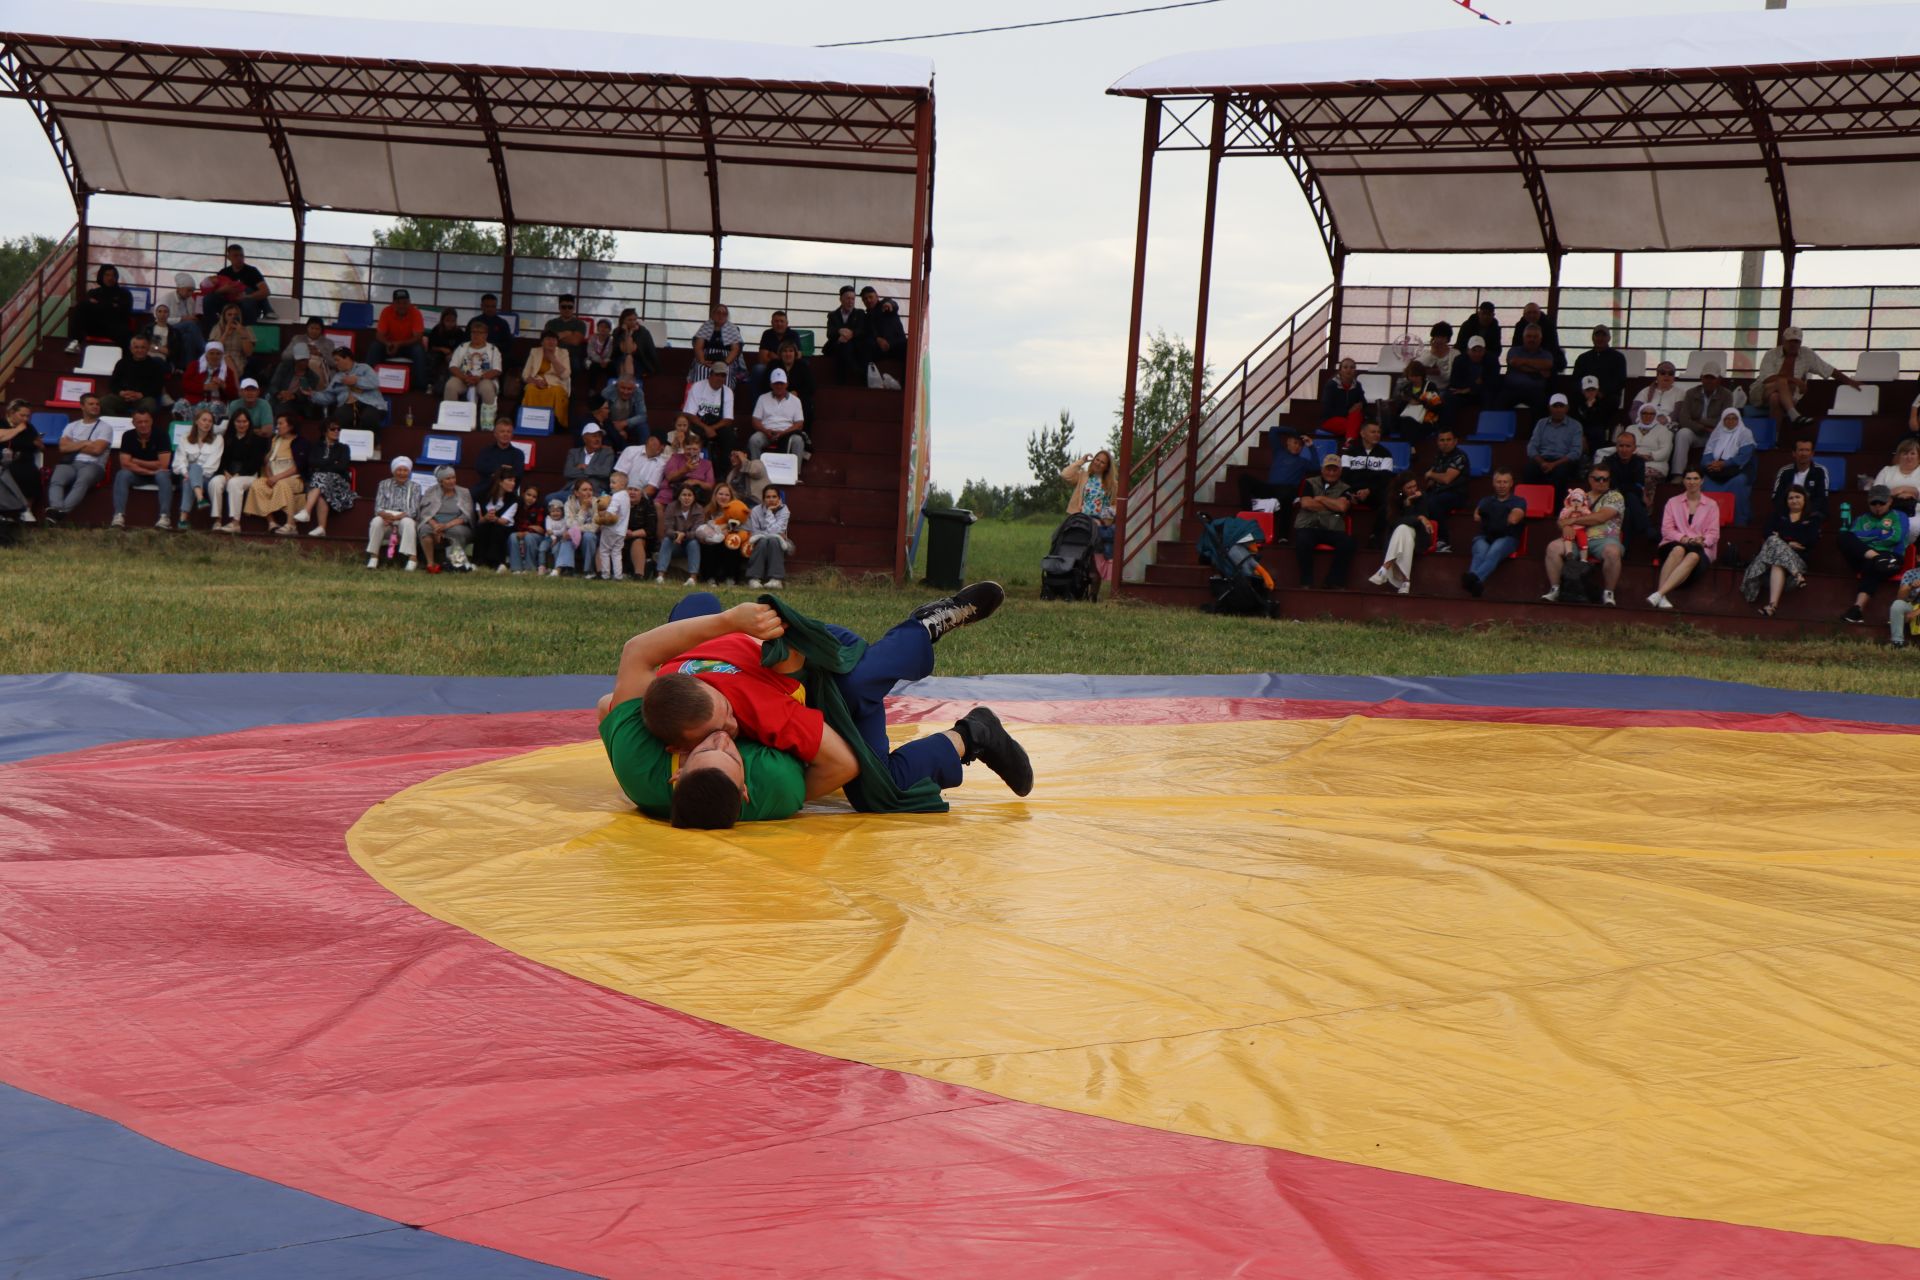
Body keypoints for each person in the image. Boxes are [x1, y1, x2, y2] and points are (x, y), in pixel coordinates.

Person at [596, 586, 1023, 829]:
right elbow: (608, 703)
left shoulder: (754, 721)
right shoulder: (768, 784)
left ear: (679, 756)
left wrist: (729, 621)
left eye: (717, 736)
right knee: (875, 780)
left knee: (877, 776)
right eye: (727, 746)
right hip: (754, 656)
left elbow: (841, 766)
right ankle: (973, 732)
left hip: (799, 656)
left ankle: (923, 636)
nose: (728, 735)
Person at [1541, 462, 1624, 606]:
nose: (1602, 482)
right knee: (1553, 547)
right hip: (1575, 538)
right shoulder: (1578, 496)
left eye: (1606, 479)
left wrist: (1572, 520)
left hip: (1604, 539)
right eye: (1598, 478)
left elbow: (1601, 517)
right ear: (1590, 479)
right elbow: (1561, 521)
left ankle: (1608, 593)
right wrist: (1565, 527)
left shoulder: (1615, 496)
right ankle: (1556, 589)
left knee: (1613, 552)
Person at [1752, 326, 1861, 428]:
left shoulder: (1806, 354)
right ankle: (1795, 416)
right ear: (1783, 341)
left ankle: (1774, 439)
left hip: (1788, 396)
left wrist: (1850, 381)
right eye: (1790, 341)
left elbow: (1828, 370)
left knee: (1775, 398)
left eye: (1797, 341)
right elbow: (1766, 378)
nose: (1793, 344)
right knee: (1781, 382)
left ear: (1801, 342)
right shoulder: (1771, 354)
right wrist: (1795, 380)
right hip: (1762, 392)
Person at [1648, 468, 1720, 610]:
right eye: (1688, 478)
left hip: (1701, 547)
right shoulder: (1672, 502)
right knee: (1678, 549)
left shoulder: (1712, 505)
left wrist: (1703, 541)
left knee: (1693, 555)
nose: (1691, 482)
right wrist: (1684, 539)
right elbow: (1667, 530)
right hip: (1674, 543)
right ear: (1683, 481)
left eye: (1695, 478)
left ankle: (1660, 593)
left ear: (1702, 481)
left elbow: (1714, 533)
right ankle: (1661, 596)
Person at [1743, 485, 1820, 617]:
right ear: (1786, 501)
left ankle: (1772, 605)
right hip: (1777, 561)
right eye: (1791, 498)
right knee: (1773, 542)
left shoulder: (1812, 518)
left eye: (1797, 497)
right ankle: (1794, 579)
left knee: (1777, 557)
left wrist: (1782, 537)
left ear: (1805, 499)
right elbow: (1767, 532)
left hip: (1799, 559)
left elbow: (1810, 540)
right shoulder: (1778, 515)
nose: (1794, 500)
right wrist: (1788, 542)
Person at [1838, 485, 1911, 623]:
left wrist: (1867, 536)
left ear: (1890, 501)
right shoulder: (1862, 519)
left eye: (1881, 503)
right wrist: (1879, 533)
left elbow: (1895, 537)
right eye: (1874, 503)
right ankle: (1877, 558)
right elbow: (1853, 536)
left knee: (1874, 566)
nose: (1878, 506)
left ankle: (1857, 609)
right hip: (1867, 557)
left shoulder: (1899, 516)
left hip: (1892, 558)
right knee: (1843, 536)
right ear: (1868, 502)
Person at [46, 394, 112, 522]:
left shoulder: (105, 427)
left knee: (82, 481)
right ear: (82, 406)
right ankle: (56, 509)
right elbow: (62, 448)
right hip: (71, 463)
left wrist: (73, 445)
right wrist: (83, 443)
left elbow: (97, 450)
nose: (95, 406)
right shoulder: (72, 426)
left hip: (94, 465)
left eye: (97, 404)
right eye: (91, 404)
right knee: (57, 479)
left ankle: (59, 513)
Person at [1367, 475, 1437, 595]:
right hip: (1400, 536)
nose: (1413, 490)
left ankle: (1385, 568)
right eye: (1409, 487)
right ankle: (1406, 582)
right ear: (1401, 489)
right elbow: (1394, 522)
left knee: (1403, 528)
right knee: (1403, 529)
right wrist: (1417, 516)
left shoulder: (1422, 497)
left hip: (1419, 536)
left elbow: (1419, 524)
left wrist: (1411, 509)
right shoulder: (1395, 499)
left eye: (1414, 486)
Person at [1461, 468, 1527, 597]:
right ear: (1493, 483)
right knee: (1480, 551)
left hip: (1507, 537)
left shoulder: (1519, 501)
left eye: (1505, 482)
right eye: (1498, 482)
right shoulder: (1486, 500)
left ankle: (1472, 579)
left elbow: (1514, 519)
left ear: (1511, 483)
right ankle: (1476, 585)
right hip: (1486, 536)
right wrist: (1502, 516)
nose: (1502, 485)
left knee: (1494, 550)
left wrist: (1492, 515)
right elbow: (1477, 516)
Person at [1294, 454, 1354, 589]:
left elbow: (1342, 507)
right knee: (1303, 540)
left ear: (1340, 471)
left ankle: (1333, 581)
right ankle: (1306, 582)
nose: (1331, 473)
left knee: (1348, 543)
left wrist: (1320, 498)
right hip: (1308, 526)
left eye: (1335, 470)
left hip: (1333, 528)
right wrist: (1333, 505)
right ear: (1322, 469)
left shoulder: (1346, 488)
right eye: (1328, 469)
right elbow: (1306, 504)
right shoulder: (1309, 482)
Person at [1236, 428, 1311, 536]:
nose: (1297, 446)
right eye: (1295, 442)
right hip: (1270, 488)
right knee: (1244, 478)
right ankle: (1248, 512)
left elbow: (1316, 466)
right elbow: (1273, 431)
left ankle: (1283, 536)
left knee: (1288, 495)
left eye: (1300, 445)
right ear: (1288, 442)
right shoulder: (1279, 451)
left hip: (1286, 490)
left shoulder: (1302, 462)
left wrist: (1310, 445)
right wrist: (1292, 431)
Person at [108, 409, 173, 530]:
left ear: (151, 421)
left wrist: (137, 461)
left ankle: (165, 517)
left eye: (146, 421)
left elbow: (163, 465)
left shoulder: (161, 434)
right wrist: (149, 470)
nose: (143, 425)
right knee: (122, 474)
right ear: (133, 423)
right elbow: (125, 464)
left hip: (157, 475)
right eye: (139, 422)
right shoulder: (128, 435)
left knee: (163, 475)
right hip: (139, 475)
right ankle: (118, 515)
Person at [243, 413, 307, 535]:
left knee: (282, 484)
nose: (277, 426)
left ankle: (291, 525)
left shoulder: (299, 442)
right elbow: (268, 462)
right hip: (273, 476)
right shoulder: (275, 440)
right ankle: (272, 523)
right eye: (277, 424)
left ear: (290, 426)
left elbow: (298, 468)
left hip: (292, 478)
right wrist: (270, 476)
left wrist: (277, 478)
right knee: (257, 486)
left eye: (280, 423)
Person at [295, 420, 356, 537]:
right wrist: (332, 462)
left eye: (339, 429)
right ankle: (322, 528)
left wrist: (322, 465)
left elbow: (342, 466)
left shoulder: (344, 448)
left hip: (339, 484)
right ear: (325, 431)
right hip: (321, 484)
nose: (337, 431)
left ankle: (306, 510)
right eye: (333, 429)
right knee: (321, 490)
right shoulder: (316, 446)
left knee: (320, 477)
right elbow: (311, 462)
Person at [210, 414, 269, 532]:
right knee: (215, 482)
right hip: (229, 472)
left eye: (244, 421)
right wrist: (224, 471)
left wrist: (240, 473)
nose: (241, 424)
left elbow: (256, 462)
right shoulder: (227, 438)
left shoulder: (257, 440)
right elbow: (221, 458)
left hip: (249, 474)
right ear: (233, 423)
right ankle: (217, 520)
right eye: (238, 421)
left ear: (249, 423)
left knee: (234, 483)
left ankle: (235, 523)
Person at [1699, 405, 1758, 523]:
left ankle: (1738, 520)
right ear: (1723, 420)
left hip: (1737, 470)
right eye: (1727, 418)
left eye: (1734, 418)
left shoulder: (1745, 433)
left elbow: (1744, 456)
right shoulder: (1717, 432)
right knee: (1706, 482)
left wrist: (1724, 464)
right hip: (1716, 470)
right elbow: (1707, 453)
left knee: (1738, 482)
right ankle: (1709, 520)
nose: (1730, 421)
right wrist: (1710, 464)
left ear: (1739, 420)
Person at [1339, 419, 1395, 544]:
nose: (1377, 435)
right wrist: (1351, 492)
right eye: (1373, 432)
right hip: (1352, 491)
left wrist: (1368, 490)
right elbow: (1344, 476)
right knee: (1337, 498)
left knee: (1389, 503)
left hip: (1373, 492)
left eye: (1378, 432)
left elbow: (1385, 479)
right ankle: (1339, 535)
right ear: (1363, 434)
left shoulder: (1385, 454)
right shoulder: (1349, 452)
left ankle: (1375, 537)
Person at [1671, 365, 1733, 476]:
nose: (1709, 381)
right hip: (1696, 432)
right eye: (1706, 377)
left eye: (1712, 378)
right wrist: (1702, 427)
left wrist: (1700, 420)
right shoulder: (1691, 393)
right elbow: (1684, 419)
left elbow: (1725, 420)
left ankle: (1714, 476)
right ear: (1701, 378)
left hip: (1715, 434)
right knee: (1682, 434)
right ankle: (1678, 474)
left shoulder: (1727, 395)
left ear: (1719, 380)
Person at [1524, 393, 1586, 502]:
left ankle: (1556, 510)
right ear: (1549, 408)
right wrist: (1542, 462)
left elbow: (1576, 452)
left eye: (1561, 406)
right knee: (1530, 469)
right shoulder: (1541, 423)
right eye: (1555, 406)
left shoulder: (1575, 425)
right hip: (1543, 460)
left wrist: (1554, 464)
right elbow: (1531, 447)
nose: (1558, 409)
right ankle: (1532, 504)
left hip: (1563, 461)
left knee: (1560, 473)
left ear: (1567, 408)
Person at [365, 456, 422, 571]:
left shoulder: (415, 487)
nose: (402, 473)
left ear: (409, 471)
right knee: (376, 521)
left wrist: (397, 517)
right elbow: (378, 507)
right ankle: (373, 557)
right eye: (399, 470)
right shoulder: (384, 484)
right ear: (393, 471)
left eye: (405, 470)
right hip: (386, 519)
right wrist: (384, 515)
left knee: (408, 522)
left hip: (404, 518)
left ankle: (412, 558)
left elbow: (414, 509)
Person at [314, 346, 387, 430]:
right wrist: (312, 395)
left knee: (369, 417)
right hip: (348, 406)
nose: (335, 363)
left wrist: (357, 381)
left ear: (347, 358)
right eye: (335, 360)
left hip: (371, 404)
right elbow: (328, 397)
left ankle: (374, 442)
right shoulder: (337, 377)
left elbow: (375, 382)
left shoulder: (364, 368)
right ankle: (343, 442)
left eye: (337, 360)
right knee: (340, 416)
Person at [1060, 450, 1118, 557]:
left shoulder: (1113, 485)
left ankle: (1105, 564)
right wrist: (1082, 461)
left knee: (1107, 540)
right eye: (1097, 459)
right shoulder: (1083, 476)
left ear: (1107, 467)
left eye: (1102, 462)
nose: (1098, 463)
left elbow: (1115, 505)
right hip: (1080, 518)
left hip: (1099, 521)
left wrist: (1105, 519)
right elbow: (1065, 475)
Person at [418, 465, 474, 573]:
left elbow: (466, 516)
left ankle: (455, 563)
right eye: (448, 479)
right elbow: (425, 513)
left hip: (457, 523)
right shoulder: (431, 491)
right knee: (424, 529)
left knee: (456, 531)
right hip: (435, 523)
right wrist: (436, 526)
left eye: (453, 477)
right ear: (440, 481)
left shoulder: (464, 492)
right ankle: (431, 563)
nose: (452, 481)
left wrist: (446, 526)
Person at [171, 408, 223, 525]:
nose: (207, 423)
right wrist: (186, 473)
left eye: (210, 421)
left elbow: (212, 465)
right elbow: (179, 460)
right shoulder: (185, 438)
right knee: (190, 474)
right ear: (196, 421)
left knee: (194, 469)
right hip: (186, 476)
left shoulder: (218, 439)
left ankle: (183, 519)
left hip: (207, 477)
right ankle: (200, 498)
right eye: (204, 420)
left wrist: (193, 475)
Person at [367, 289, 427, 388]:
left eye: (405, 303)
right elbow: (379, 334)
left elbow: (418, 337)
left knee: (418, 350)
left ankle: (421, 387)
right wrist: (387, 344)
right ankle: (367, 381)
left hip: (408, 346)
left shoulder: (416, 313)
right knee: (375, 347)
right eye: (398, 303)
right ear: (393, 304)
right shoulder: (386, 311)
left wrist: (399, 344)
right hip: (389, 345)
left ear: (409, 302)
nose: (402, 306)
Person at [1418, 427, 1470, 542]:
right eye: (1442, 440)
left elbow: (1447, 479)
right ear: (1437, 442)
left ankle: (1443, 540)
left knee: (1434, 503)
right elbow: (1431, 480)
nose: (1445, 443)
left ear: (1455, 441)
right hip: (1439, 491)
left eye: (1448, 439)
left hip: (1456, 494)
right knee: (1417, 499)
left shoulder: (1460, 456)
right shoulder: (1439, 456)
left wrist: (1431, 474)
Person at [200, 243, 270, 327]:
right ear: (228, 257)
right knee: (208, 299)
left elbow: (265, 292)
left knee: (247, 301)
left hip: (247, 303)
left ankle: (246, 332)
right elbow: (214, 292)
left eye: (241, 255)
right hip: (228, 304)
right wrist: (224, 290)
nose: (239, 258)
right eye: (235, 256)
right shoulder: (224, 272)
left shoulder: (252, 271)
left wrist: (246, 297)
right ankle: (214, 329)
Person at [1602, 431, 1652, 547]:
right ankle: (1646, 528)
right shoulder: (1608, 462)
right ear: (1616, 447)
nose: (1624, 449)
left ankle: (1626, 549)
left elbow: (1639, 484)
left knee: (1629, 507)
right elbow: (1612, 486)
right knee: (1629, 503)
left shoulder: (1639, 461)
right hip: (1613, 498)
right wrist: (1631, 487)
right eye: (1621, 446)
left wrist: (1630, 487)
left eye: (1628, 446)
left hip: (1631, 497)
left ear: (1634, 448)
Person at [102, 334, 169, 419]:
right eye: (136, 347)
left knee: (150, 405)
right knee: (104, 402)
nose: (139, 350)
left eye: (142, 347)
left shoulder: (155, 365)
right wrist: (121, 392)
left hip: (143, 398)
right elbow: (113, 383)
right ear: (131, 349)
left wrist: (141, 394)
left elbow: (157, 387)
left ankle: (137, 425)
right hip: (122, 396)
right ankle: (117, 424)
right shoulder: (122, 363)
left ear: (147, 348)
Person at [680, 362, 737, 460]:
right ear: (710, 375)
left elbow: (728, 419)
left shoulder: (728, 391)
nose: (720, 378)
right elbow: (689, 413)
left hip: (717, 425)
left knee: (729, 435)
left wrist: (712, 428)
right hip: (698, 423)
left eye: (723, 376)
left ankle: (723, 470)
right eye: (717, 375)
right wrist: (706, 428)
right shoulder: (697, 386)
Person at [749, 368, 807, 462]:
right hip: (766, 433)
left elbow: (799, 424)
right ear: (771, 384)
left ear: (787, 384)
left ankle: (795, 474)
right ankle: (756, 472)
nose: (779, 386)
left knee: (798, 441)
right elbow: (755, 421)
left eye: (782, 383)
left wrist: (783, 433)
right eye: (776, 383)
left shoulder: (795, 400)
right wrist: (766, 431)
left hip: (787, 433)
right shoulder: (763, 398)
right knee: (754, 440)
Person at [1501, 323, 1562, 412]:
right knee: (1499, 403)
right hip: (1512, 390)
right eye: (1529, 336)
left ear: (1540, 339)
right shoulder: (1514, 351)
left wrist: (1523, 362)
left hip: (1535, 391)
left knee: (1543, 406)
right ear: (1523, 338)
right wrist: (1538, 369)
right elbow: (1514, 362)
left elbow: (1548, 364)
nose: (1532, 339)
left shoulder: (1546, 354)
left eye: (1535, 337)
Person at [696, 482, 750, 586]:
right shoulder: (708, 511)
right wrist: (720, 529)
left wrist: (730, 531)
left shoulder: (737, 510)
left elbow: (745, 529)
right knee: (707, 546)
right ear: (715, 495)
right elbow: (702, 529)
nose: (723, 497)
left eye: (726, 495)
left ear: (731, 497)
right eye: (720, 494)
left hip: (728, 542)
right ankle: (710, 578)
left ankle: (730, 578)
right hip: (713, 543)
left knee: (732, 545)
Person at [444, 318, 503, 409]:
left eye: (480, 333)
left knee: (487, 388)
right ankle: (451, 417)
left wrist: (479, 378)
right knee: (450, 385)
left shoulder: (493, 349)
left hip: (484, 379)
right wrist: (465, 377)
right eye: (474, 332)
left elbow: (497, 370)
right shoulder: (462, 347)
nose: (476, 335)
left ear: (486, 335)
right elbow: (453, 366)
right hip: (464, 378)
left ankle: (487, 421)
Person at [654, 483, 705, 584]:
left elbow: (697, 531)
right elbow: (668, 529)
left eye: (689, 495)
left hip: (689, 543)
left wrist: (684, 535)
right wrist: (677, 534)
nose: (687, 498)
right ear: (679, 496)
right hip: (675, 542)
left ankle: (692, 578)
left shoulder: (699, 509)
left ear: (694, 497)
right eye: (684, 495)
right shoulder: (671, 507)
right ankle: (660, 576)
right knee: (666, 540)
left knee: (694, 543)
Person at [0, 398, 42, 519]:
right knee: (8, 473)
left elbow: (38, 445)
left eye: (28, 416)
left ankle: (26, 510)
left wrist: (39, 444)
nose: (25, 419)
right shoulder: (2, 423)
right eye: (22, 415)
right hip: (5, 459)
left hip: (25, 459)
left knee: (32, 474)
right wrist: (17, 430)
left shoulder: (29, 427)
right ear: (11, 413)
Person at [520, 332, 573, 429]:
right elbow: (525, 374)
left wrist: (553, 359)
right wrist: (536, 382)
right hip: (537, 382)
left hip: (556, 383)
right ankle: (530, 422)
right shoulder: (534, 352)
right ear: (542, 342)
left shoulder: (563, 352)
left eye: (554, 339)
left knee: (556, 391)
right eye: (548, 339)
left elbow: (565, 375)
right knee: (530, 389)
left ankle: (556, 424)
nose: (551, 342)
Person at [271, 318, 333, 398]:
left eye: (317, 329)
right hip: (297, 369)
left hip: (319, 372)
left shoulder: (328, 343)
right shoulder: (297, 339)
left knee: (313, 364)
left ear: (321, 330)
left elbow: (333, 362)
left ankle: (313, 395)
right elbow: (284, 356)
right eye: (312, 328)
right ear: (307, 328)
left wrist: (320, 354)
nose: (314, 331)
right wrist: (301, 351)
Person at [745, 485, 793, 588]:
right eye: (768, 497)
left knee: (773, 540)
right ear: (763, 499)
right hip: (759, 541)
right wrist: (769, 534)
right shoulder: (756, 511)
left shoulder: (785, 510)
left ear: (779, 499)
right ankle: (754, 579)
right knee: (763, 541)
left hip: (779, 542)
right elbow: (755, 532)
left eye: (774, 496)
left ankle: (776, 579)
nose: (771, 499)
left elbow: (776, 531)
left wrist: (769, 512)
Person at [1571, 324, 1628, 411]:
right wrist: (1585, 392)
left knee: (1609, 402)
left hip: (1607, 395)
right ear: (1593, 338)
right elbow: (1576, 379)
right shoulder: (1583, 358)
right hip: (1584, 395)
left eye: (1603, 336)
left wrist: (1601, 392)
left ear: (1609, 338)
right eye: (1597, 335)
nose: (1600, 338)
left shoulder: (1618, 357)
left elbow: (1620, 380)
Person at [688, 303, 745, 387]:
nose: (721, 316)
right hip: (707, 357)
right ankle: (700, 395)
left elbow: (735, 349)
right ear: (713, 314)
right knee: (701, 368)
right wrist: (703, 361)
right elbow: (698, 347)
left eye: (724, 314)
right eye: (718, 313)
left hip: (726, 358)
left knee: (726, 370)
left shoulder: (732, 328)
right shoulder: (706, 326)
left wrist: (725, 363)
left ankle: (723, 396)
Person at [1770, 438, 1830, 517]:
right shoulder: (1784, 471)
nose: (1804, 454)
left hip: (1812, 512)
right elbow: (1777, 497)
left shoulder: (1821, 471)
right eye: (1801, 450)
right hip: (1788, 512)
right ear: (1794, 453)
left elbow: (1822, 497)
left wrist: (1804, 513)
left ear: (1812, 454)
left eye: (1807, 450)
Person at [473, 471, 519, 572]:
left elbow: (504, 521)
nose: (513, 483)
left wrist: (495, 518)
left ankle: (496, 562)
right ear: (500, 482)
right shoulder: (482, 496)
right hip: (485, 524)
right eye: (510, 480)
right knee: (483, 527)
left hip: (504, 527)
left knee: (497, 528)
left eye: (514, 481)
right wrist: (485, 517)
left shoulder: (513, 500)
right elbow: (479, 520)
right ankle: (478, 561)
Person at [557, 478, 601, 578]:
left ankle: (588, 570)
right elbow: (570, 524)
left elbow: (595, 527)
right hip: (576, 535)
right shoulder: (569, 504)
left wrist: (577, 530)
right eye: (584, 490)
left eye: (590, 489)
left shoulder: (597, 503)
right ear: (576, 493)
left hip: (594, 536)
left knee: (588, 536)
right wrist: (583, 509)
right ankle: (568, 569)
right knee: (568, 537)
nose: (589, 492)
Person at [824, 284, 869, 384]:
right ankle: (858, 373)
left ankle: (844, 379)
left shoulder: (860, 313)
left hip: (854, 345)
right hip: (837, 344)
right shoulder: (833, 315)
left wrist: (851, 334)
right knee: (842, 346)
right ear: (841, 299)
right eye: (848, 298)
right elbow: (829, 333)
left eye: (853, 299)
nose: (850, 302)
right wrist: (839, 332)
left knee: (846, 347)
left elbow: (863, 330)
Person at [592, 470, 631, 581]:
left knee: (604, 551)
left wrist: (601, 517)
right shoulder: (626, 496)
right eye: (610, 482)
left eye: (614, 483)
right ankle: (618, 575)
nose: (611, 485)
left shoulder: (616, 497)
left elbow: (611, 513)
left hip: (611, 529)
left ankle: (605, 574)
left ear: (622, 484)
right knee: (616, 552)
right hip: (621, 531)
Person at [542, 294, 590, 386]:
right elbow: (546, 340)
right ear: (559, 308)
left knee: (575, 366)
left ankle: (568, 393)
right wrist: (566, 333)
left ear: (573, 308)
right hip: (552, 353)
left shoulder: (580, 324)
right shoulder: (551, 323)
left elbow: (575, 341)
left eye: (570, 307)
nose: (567, 309)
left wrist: (556, 336)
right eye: (564, 307)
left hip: (572, 355)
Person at [1320, 357, 1370, 438]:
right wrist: (1348, 412)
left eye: (1352, 367)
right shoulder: (1331, 385)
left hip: (1352, 419)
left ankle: (1349, 444)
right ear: (1340, 370)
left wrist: (1360, 405)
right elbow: (1327, 409)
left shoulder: (1357, 385)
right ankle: (1350, 444)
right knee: (1355, 427)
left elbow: (1363, 403)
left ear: (1355, 371)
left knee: (1356, 416)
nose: (1349, 370)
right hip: (1332, 419)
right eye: (1345, 367)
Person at [1871, 437, 1920, 518]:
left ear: (1919, 456)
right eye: (1905, 453)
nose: (1909, 457)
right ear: (1899, 456)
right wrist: (1894, 493)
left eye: (1912, 453)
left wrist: (1905, 489)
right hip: (1889, 511)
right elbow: (1875, 494)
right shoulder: (1886, 471)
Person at [860, 286, 907, 369]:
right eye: (865, 299)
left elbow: (893, 304)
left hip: (895, 345)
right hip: (878, 348)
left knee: (908, 347)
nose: (868, 300)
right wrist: (877, 339)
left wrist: (889, 305)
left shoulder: (884, 305)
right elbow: (866, 333)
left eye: (871, 297)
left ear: (877, 296)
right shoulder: (865, 317)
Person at [1445, 336, 1491, 421]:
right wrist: (1475, 384)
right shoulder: (1459, 360)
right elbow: (1454, 382)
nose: (1477, 354)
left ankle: (1487, 428)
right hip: (1463, 394)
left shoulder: (1491, 360)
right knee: (1449, 397)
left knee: (1490, 396)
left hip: (1481, 392)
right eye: (1474, 350)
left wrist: (1470, 388)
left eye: (1480, 350)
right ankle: (1446, 430)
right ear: (1468, 351)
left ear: (1484, 351)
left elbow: (1493, 382)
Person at [472, 417, 524, 492]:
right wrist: (503, 468)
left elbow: (518, 473)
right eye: (502, 431)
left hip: (507, 493)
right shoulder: (486, 451)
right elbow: (480, 467)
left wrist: (494, 472)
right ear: (495, 434)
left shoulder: (518, 454)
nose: (505, 434)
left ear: (512, 434)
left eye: (508, 432)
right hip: (485, 491)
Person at [607, 309, 660, 382]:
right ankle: (625, 385)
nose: (633, 322)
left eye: (634, 320)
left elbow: (650, 350)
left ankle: (625, 384)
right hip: (620, 360)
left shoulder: (643, 332)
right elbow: (623, 350)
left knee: (628, 358)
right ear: (623, 321)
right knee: (624, 359)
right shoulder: (617, 331)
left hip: (639, 360)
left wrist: (654, 367)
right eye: (629, 320)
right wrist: (627, 333)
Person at [564, 421, 615, 495]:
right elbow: (568, 472)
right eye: (594, 436)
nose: (598, 439)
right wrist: (594, 472)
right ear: (585, 439)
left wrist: (584, 468)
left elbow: (605, 472)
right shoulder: (574, 452)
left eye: (599, 436)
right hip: (573, 490)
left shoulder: (607, 453)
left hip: (595, 491)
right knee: (549, 498)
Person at [509, 486, 550, 576]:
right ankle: (516, 568)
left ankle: (530, 568)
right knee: (512, 536)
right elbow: (514, 523)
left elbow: (541, 529)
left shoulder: (540, 508)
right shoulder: (518, 506)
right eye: (528, 495)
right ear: (523, 494)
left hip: (538, 536)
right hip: (521, 532)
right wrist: (531, 528)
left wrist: (528, 530)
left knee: (529, 537)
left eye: (534, 497)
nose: (530, 498)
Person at [663, 435, 715, 505]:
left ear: (700, 449)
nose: (691, 452)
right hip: (674, 490)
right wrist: (685, 469)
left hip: (697, 494)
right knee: (660, 501)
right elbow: (669, 477)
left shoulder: (707, 464)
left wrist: (696, 482)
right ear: (684, 448)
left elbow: (710, 486)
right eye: (688, 449)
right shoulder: (675, 458)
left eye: (695, 449)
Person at [1629, 360, 1684, 427]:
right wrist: (1641, 422)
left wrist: (1666, 419)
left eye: (1670, 373)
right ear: (1657, 375)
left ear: (1673, 377)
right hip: (1645, 424)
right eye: (1663, 373)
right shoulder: (1646, 391)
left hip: (1667, 425)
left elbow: (1678, 412)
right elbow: (1634, 410)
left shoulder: (1679, 392)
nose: (1667, 376)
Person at [1570, 375, 1615, 456]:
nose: (1591, 392)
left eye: (1593, 389)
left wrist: (1591, 407)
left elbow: (1602, 421)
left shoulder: (1604, 404)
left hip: (1597, 435)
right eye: (1588, 390)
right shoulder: (1577, 403)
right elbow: (1576, 421)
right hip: (1581, 434)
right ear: (1583, 391)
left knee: (1597, 431)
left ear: (1597, 390)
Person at [624, 476, 659, 581]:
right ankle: (601, 573)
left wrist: (632, 534)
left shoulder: (648, 505)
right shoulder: (619, 502)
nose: (632, 492)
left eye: (636, 490)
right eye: (630, 489)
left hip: (641, 538)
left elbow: (650, 530)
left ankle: (639, 575)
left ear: (641, 492)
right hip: (620, 535)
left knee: (637, 542)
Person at [616, 433, 670, 497]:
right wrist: (624, 496)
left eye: (664, 445)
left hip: (641, 499)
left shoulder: (661, 463)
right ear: (650, 441)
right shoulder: (630, 450)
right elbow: (618, 477)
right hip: (621, 493)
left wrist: (634, 497)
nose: (663, 448)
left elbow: (651, 489)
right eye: (661, 444)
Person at [424, 307, 465, 392]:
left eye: (453, 321)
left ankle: (448, 386)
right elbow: (431, 346)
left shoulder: (459, 332)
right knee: (431, 358)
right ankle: (430, 384)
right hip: (438, 353)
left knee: (454, 362)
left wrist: (452, 354)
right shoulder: (436, 329)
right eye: (447, 320)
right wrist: (442, 349)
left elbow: (462, 348)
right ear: (442, 320)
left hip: (453, 355)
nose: (450, 323)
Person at [603, 373, 648, 443]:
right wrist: (615, 428)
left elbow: (643, 416)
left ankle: (644, 451)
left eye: (629, 389)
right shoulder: (607, 392)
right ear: (617, 386)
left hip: (628, 424)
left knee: (643, 427)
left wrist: (624, 423)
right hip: (610, 423)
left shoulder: (639, 393)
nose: (625, 392)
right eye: (623, 388)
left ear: (634, 388)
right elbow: (600, 414)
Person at [1887, 567, 1920, 650]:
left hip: (1917, 610)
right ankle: (1897, 642)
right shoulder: (1911, 573)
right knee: (1898, 604)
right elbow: (1900, 597)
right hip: (1913, 604)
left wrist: (1917, 612)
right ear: (1918, 558)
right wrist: (1911, 586)